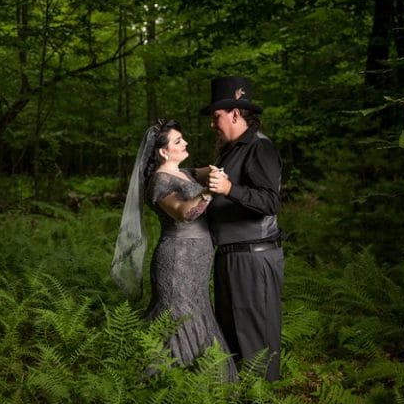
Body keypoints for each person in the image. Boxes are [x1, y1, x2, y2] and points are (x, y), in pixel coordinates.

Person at [111, 119, 237, 380]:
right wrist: (209, 192)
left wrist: (230, 145)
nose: (186, 142)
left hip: (198, 259)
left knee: (198, 309)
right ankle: (167, 383)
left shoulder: (187, 173)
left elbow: (222, 166)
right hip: (177, 261)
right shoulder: (158, 182)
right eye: (178, 141)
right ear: (163, 152)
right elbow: (184, 213)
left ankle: (202, 380)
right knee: (177, 315)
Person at [198, 75, 284, 382]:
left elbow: (270, 202)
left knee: (256, 339)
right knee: (232, 337)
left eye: (216, 116)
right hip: (230, 256)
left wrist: (229, 188)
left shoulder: (259, 148)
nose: (212, 123)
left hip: (253, 257)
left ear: (235, 113)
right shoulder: (230, 149)